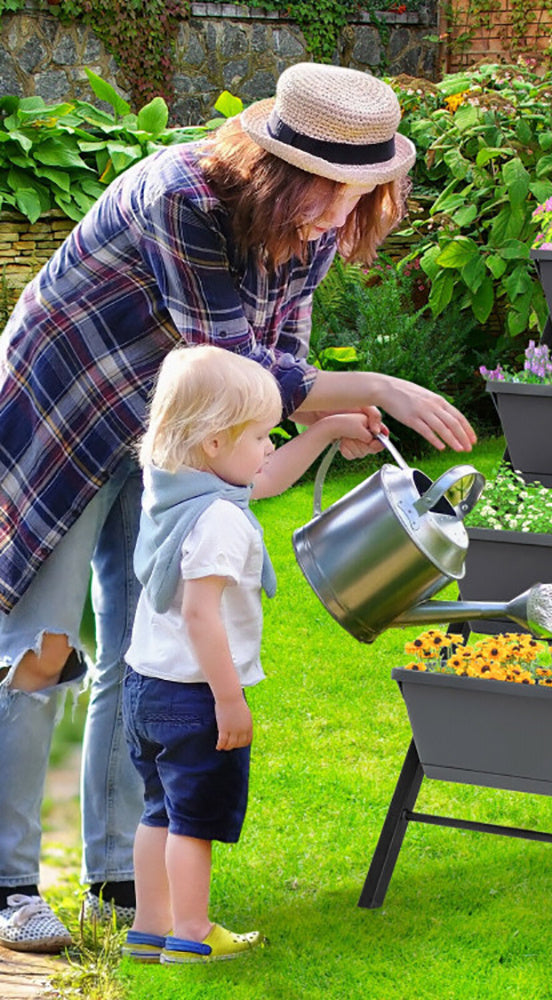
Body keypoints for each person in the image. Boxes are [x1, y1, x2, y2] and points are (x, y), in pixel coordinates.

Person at [0, 61, 476, 953]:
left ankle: (117, 877)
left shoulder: (319, 226)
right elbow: (231, 358)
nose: (339, 214)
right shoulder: (179, 195)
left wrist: (326, 417)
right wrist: (373, 383)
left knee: (147, 643)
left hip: (178, 433)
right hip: (68, 408)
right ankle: (6, 884)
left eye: (360, 192)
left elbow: (276, 367)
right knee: (42, 650)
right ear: (274, 165)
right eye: (327, 190)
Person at [121, 344, 349, 964]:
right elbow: (201, 616)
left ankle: (149, 928)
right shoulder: (218, 520)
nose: (270, 447)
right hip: (197, 693)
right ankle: (192, 935)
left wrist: (327, 429)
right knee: (195, 821)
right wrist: (228, 699)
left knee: (159, 811)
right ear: (215, 444)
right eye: (260, 436)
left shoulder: (169, 486)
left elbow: (265, 476)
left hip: (144, 684)